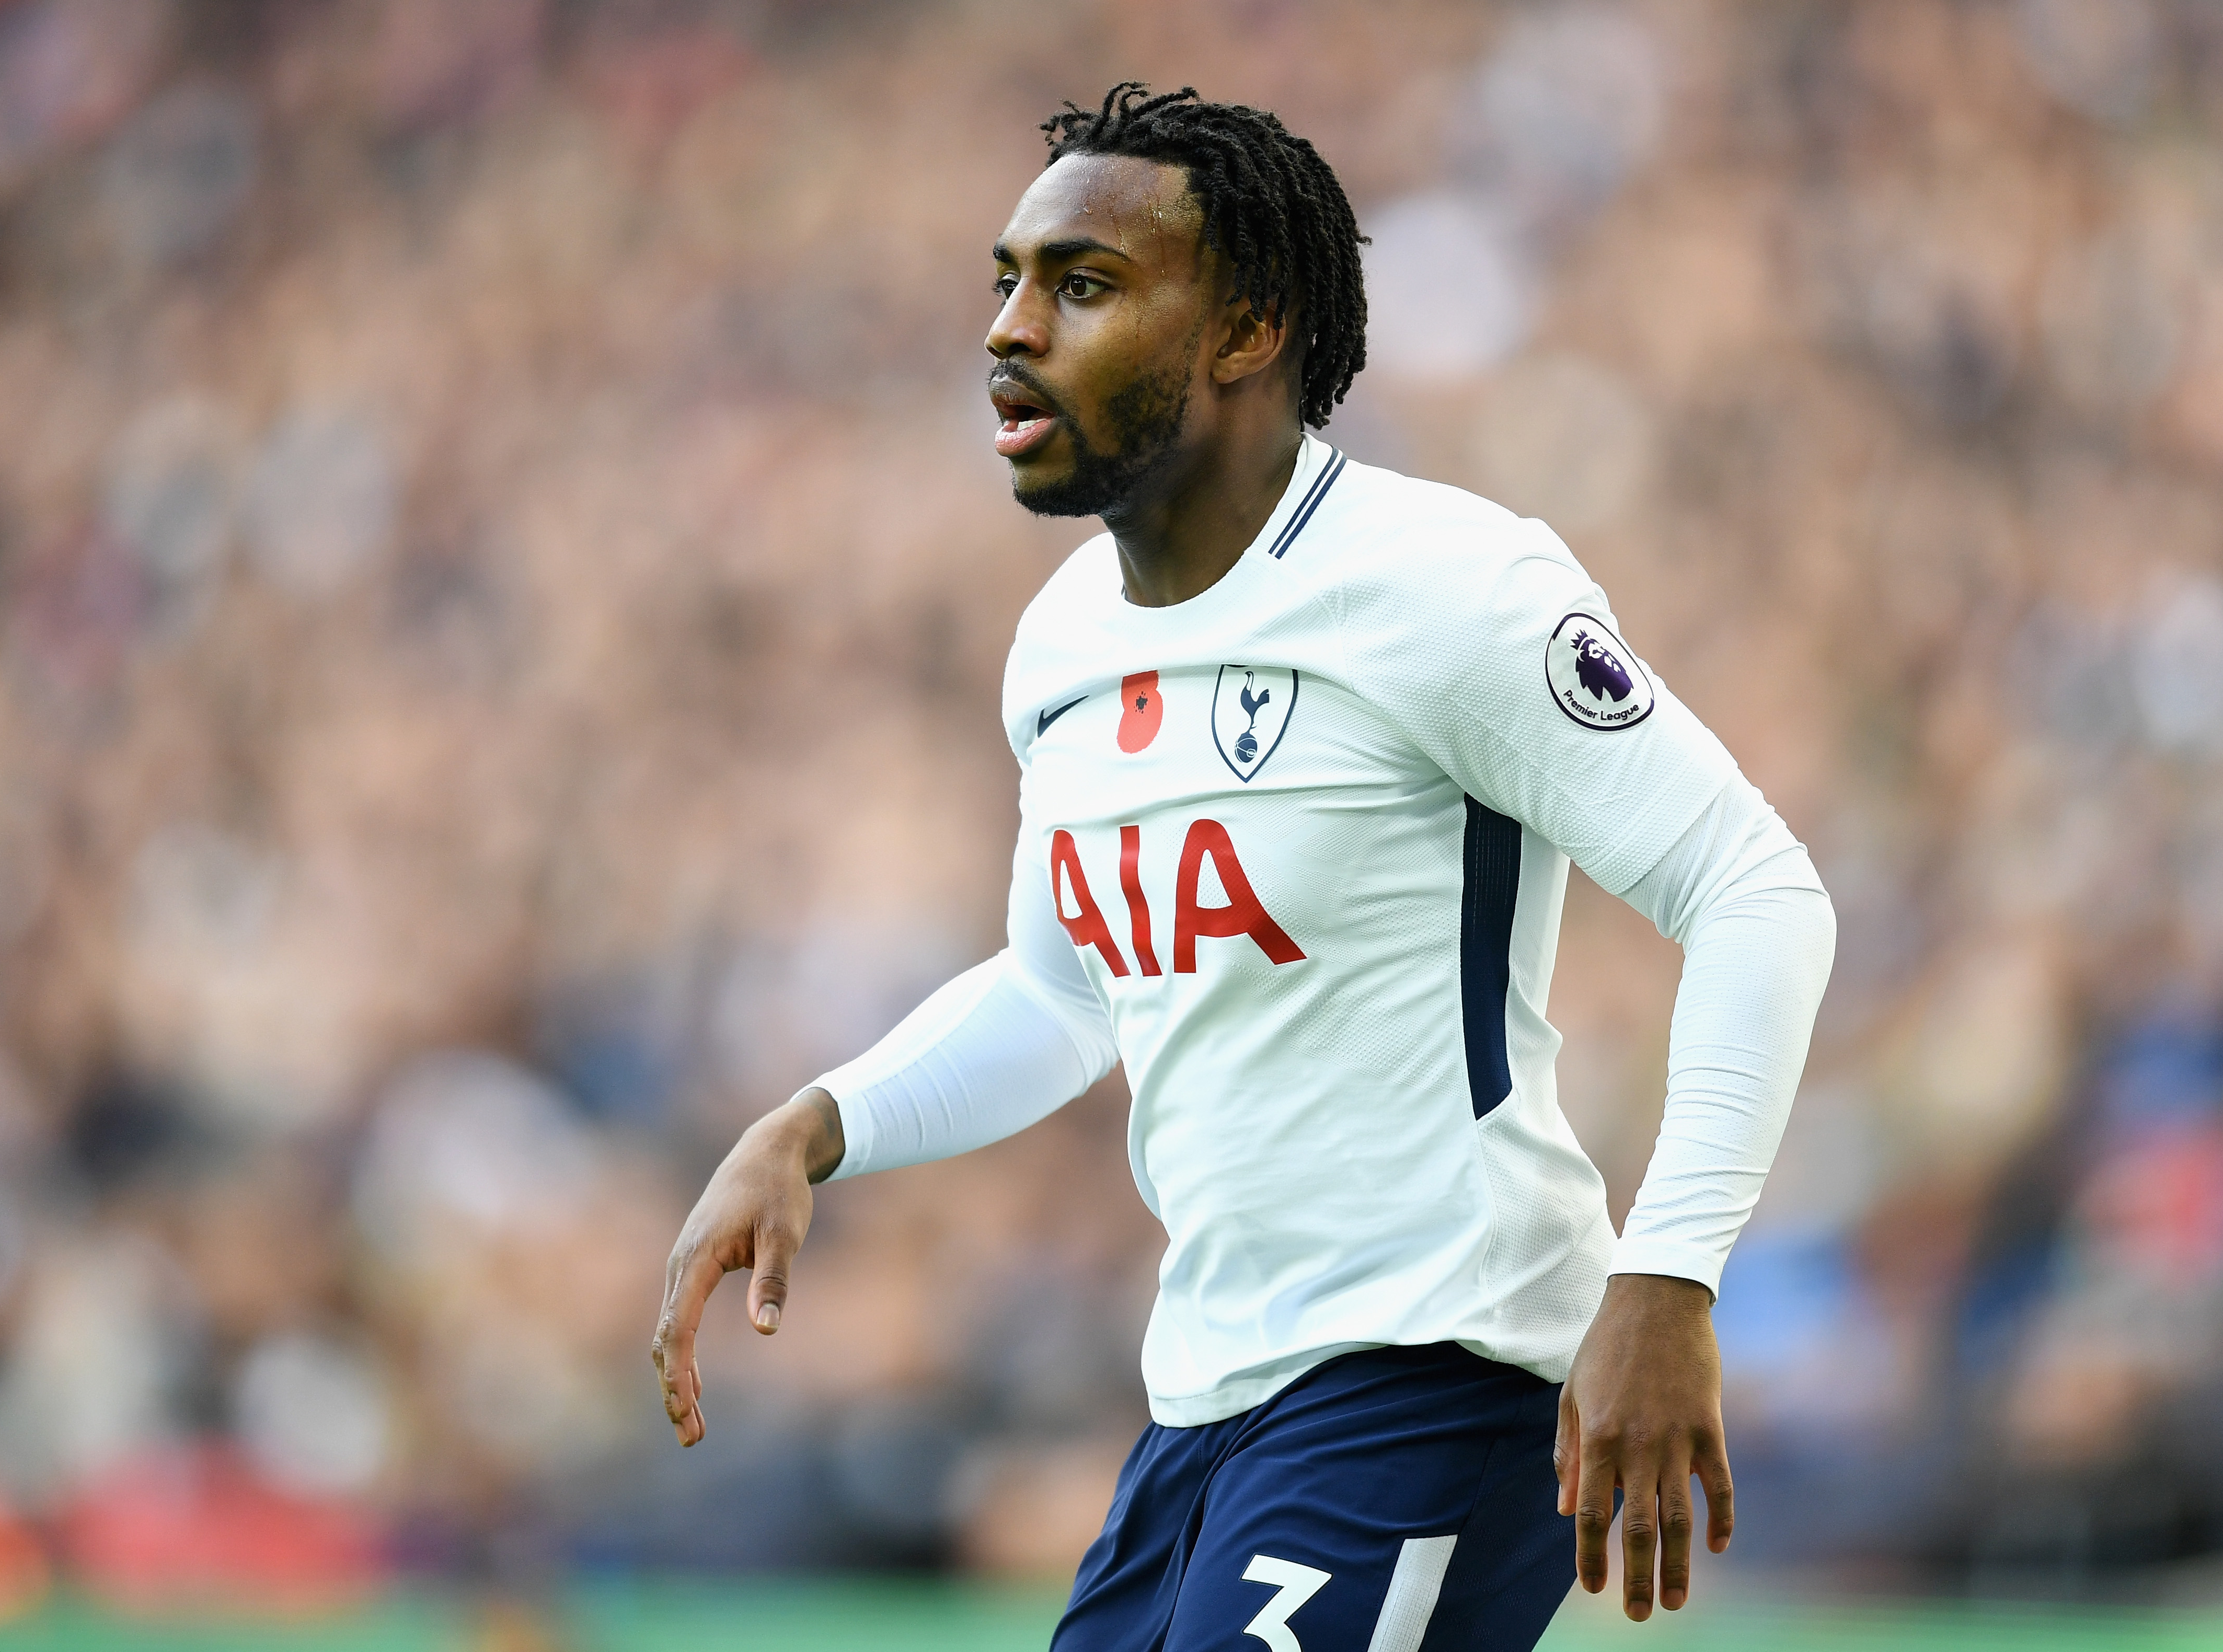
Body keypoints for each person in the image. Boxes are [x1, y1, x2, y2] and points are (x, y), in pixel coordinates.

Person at [653, 83, 1834, 1651]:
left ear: (1245, 331)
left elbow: (1755, 887)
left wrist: (1671, 1275)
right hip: (1207, 1408)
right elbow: (1070, 992)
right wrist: (823, 1124)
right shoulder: (1064, 643)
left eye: (1081, 286)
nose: (1011, 328)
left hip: (1441, 1373)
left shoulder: (1447, 587)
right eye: (1006, 281)